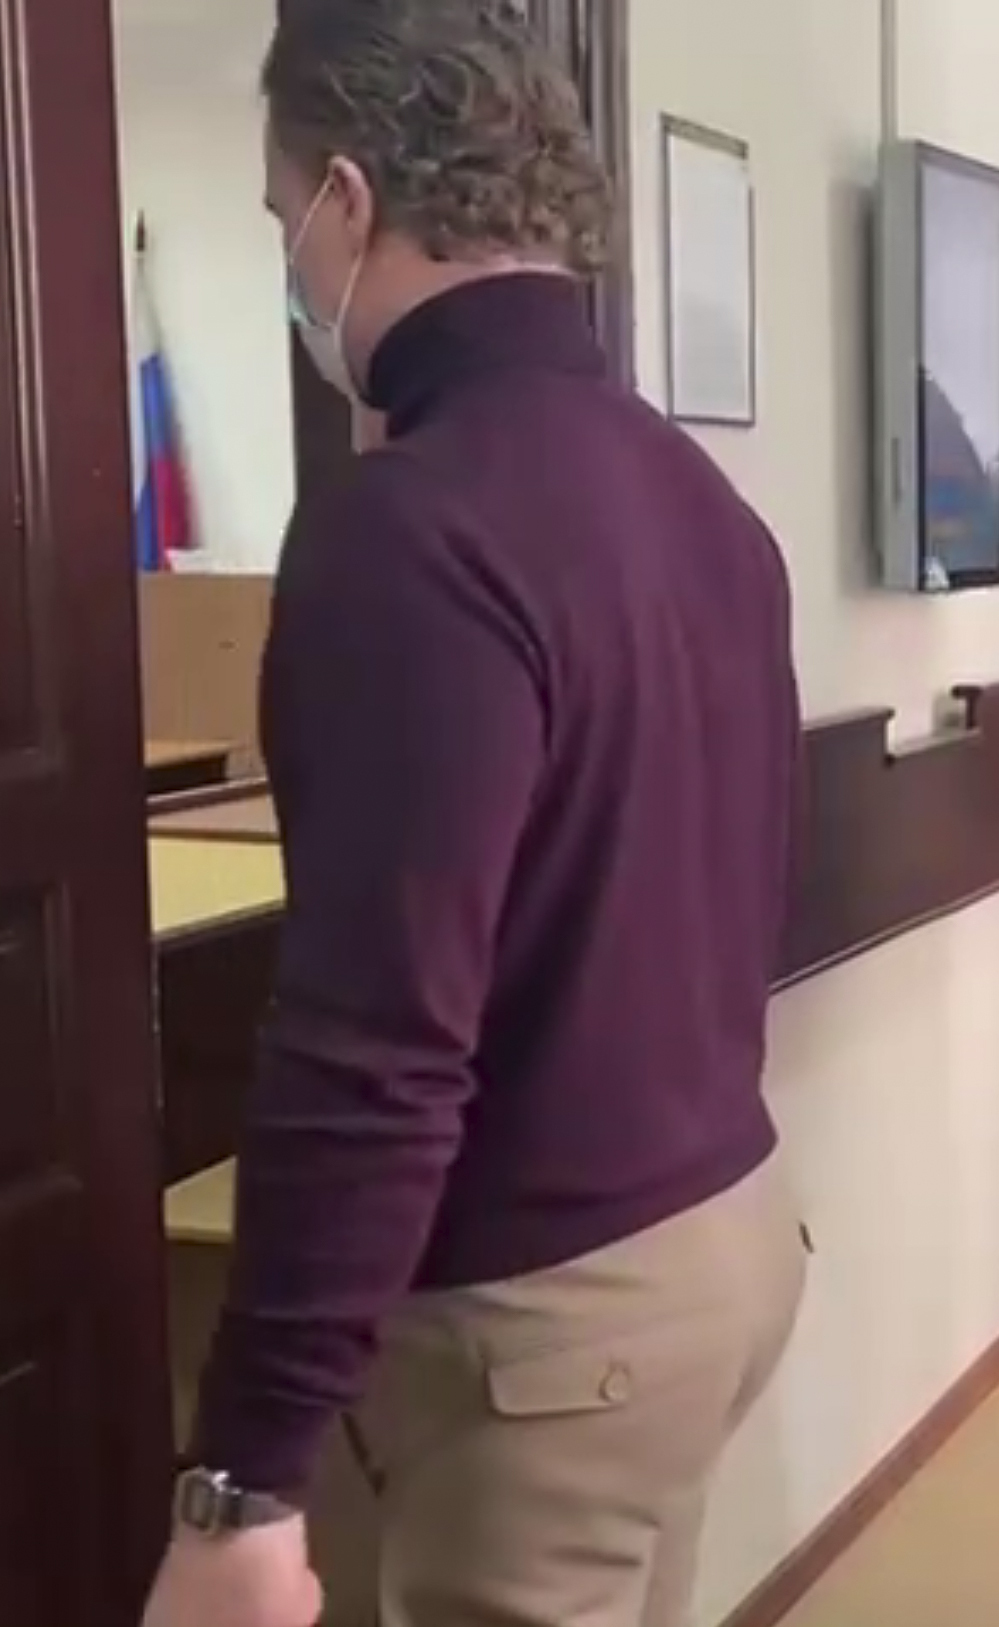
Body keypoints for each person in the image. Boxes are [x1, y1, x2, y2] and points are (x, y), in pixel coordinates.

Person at [141, 4, 807, 1624]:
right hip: (719, 1237)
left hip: (551, 1326)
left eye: (282, 218)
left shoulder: (410, 530)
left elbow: (375, 1043)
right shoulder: (693, 496)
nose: (290, 266)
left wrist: (245, 1482)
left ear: (349, 198)